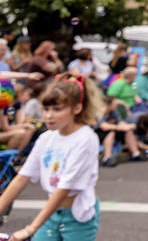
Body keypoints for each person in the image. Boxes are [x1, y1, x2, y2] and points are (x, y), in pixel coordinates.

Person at [0, 72, 105, 240]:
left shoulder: (86, 139)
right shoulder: (46, 138)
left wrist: (30, 229)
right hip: (52, 212)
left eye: (57, 109)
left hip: (78, 216)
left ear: (77, 108)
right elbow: (21, 179)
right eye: (46, 109)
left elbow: (64, 188)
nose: (48, 115)